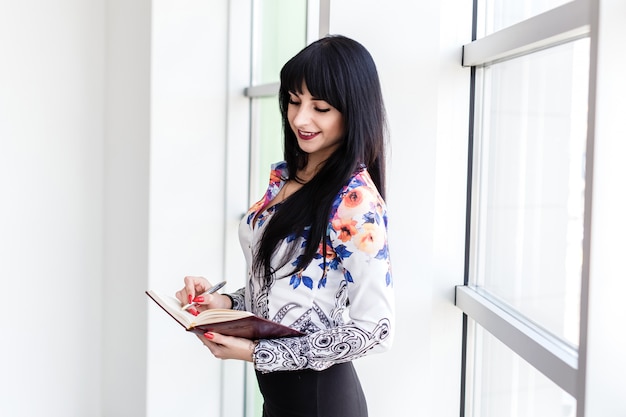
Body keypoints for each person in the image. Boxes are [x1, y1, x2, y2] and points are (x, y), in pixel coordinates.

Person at [175, 34, 394, 417]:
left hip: (321, 401)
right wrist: (224, 303)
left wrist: (259, 352)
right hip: (280, 398)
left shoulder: (354, 203)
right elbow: (285, 291)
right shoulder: (288, 176)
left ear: (352, 111)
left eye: (320, 107)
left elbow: (376, 329)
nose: (300, 119)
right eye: (294, 101)